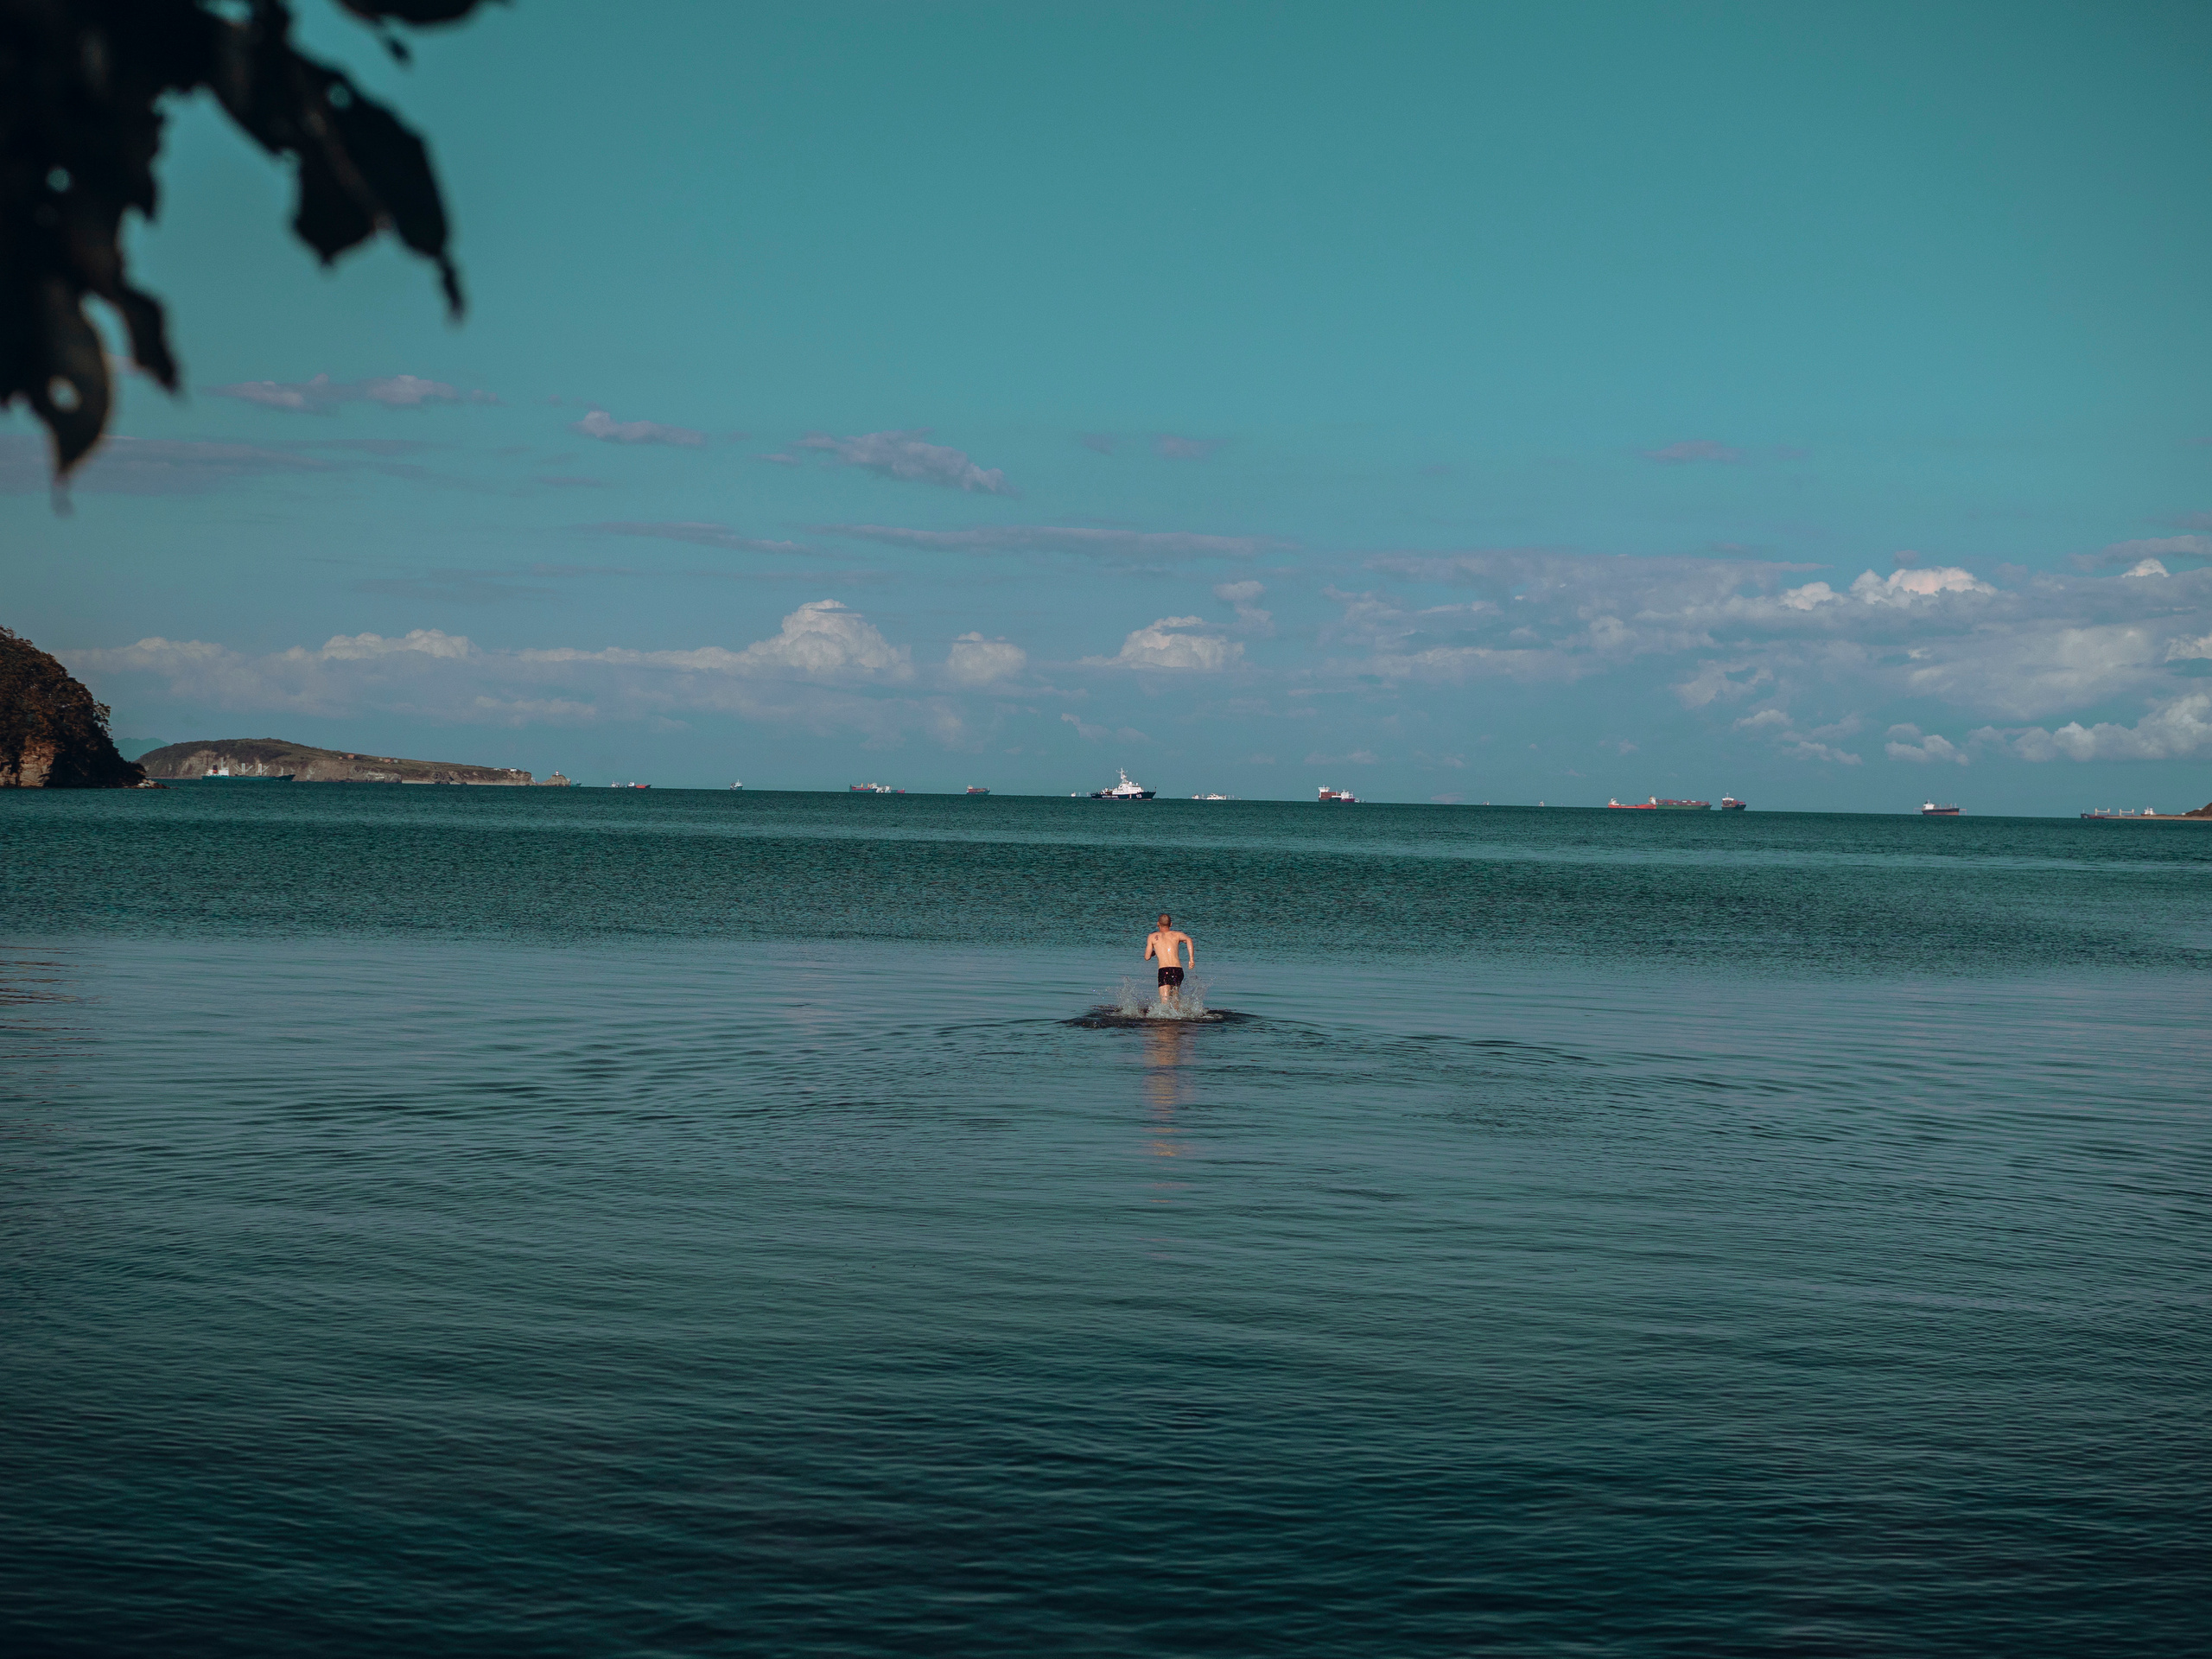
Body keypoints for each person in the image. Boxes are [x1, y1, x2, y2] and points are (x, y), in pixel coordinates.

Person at [1144, 913, 1195, 1009]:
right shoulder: (1177, 935)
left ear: (1158, 924)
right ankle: (1177, 1019)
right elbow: (1189, 940)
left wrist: (1154, 953)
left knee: (1165, 1002)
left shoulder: (1152, 936)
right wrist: (1191, 959)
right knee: (1175, 999)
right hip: (1178, 970)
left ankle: (1166, 1022)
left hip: (1164, 970)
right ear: (1170, 924)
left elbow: (1147, 957)